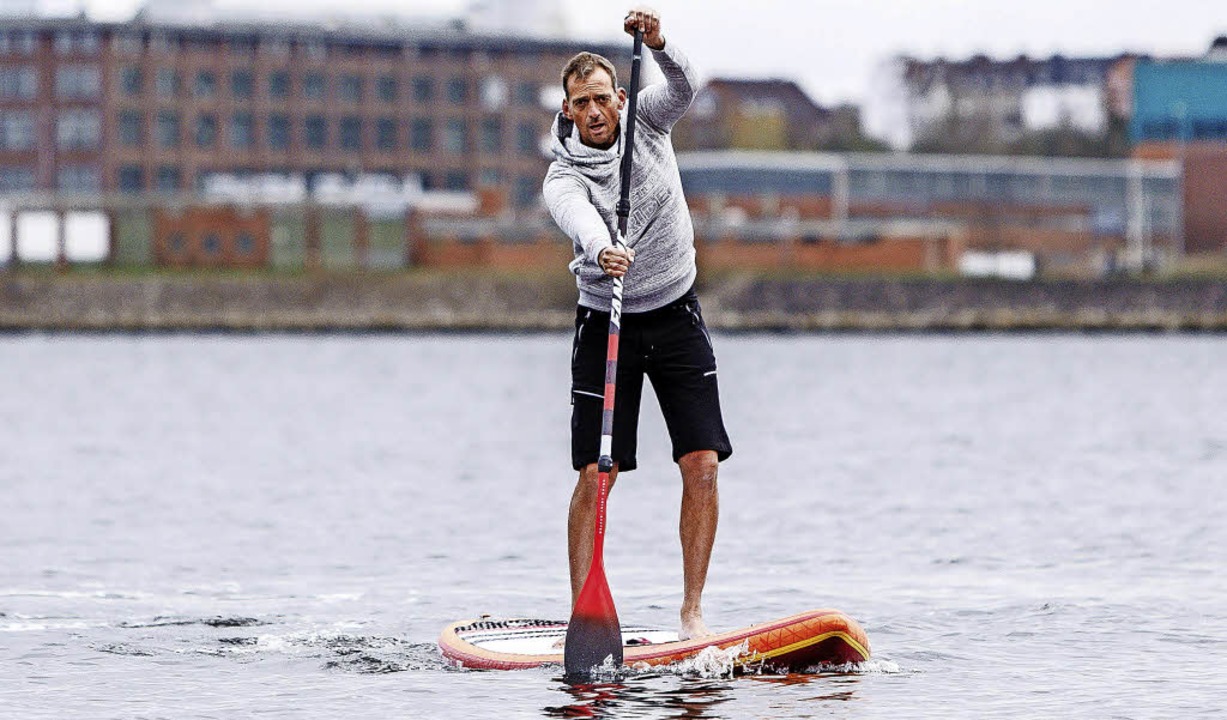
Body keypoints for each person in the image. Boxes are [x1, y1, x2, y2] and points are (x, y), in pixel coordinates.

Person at [543, 6, 732, 641]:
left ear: (619, 97)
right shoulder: (562, 173)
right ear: (568, 111)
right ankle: (585, 608)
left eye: (601, 98)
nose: (593, 112)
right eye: (580, 104)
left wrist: (659, 43)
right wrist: (603, 249)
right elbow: (577, 217)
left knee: (701, 461)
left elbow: (688, 85)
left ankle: (692, 612)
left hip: (675, 310)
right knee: (598, 472)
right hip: (606, 319)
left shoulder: (648, 120)